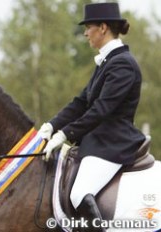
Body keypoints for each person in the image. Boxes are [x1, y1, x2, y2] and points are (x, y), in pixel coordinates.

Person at [38, 2, 145, 232]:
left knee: (78, 193)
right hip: (97, 142)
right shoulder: (107, 62)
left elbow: (101, 110)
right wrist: (51, 125)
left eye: (88, 27)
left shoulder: (123, 65)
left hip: (113, 143)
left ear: (103, 27)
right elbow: (80, 102)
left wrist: (65, 133)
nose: (85, 33)